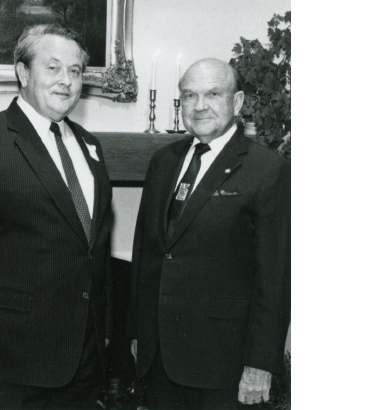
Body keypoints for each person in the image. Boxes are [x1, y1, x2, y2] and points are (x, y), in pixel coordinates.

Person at [0, 24, 114, 410]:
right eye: (53, 68)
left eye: (75, 71)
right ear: (23, 73)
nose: (66, 81)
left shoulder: (90, 145)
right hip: (12, 364)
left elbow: (92, 248)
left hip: (84, 362)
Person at [127, 58, 290, 409]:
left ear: (238, 102)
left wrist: (261, 363)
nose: (199, 106)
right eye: (189, 95)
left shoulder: (267, 170)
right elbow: (146, 253)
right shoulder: (164, 161)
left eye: (213, 94)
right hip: (160, 361)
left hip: (224, 366)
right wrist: (139, 332)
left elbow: (275, 278)